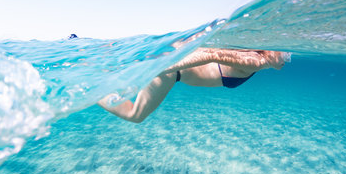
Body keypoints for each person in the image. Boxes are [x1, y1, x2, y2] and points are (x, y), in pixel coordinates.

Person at [98, 48, 288, 123]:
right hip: (170, 72)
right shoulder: (254, 61)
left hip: (171, 68)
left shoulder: (253, 54)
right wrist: (160, 68)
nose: (287, 59)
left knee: (119, 72)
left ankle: (94, 63)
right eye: (286, 54)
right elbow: (210, 54)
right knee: (135, 115)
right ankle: (92, 92)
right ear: (273, 49)